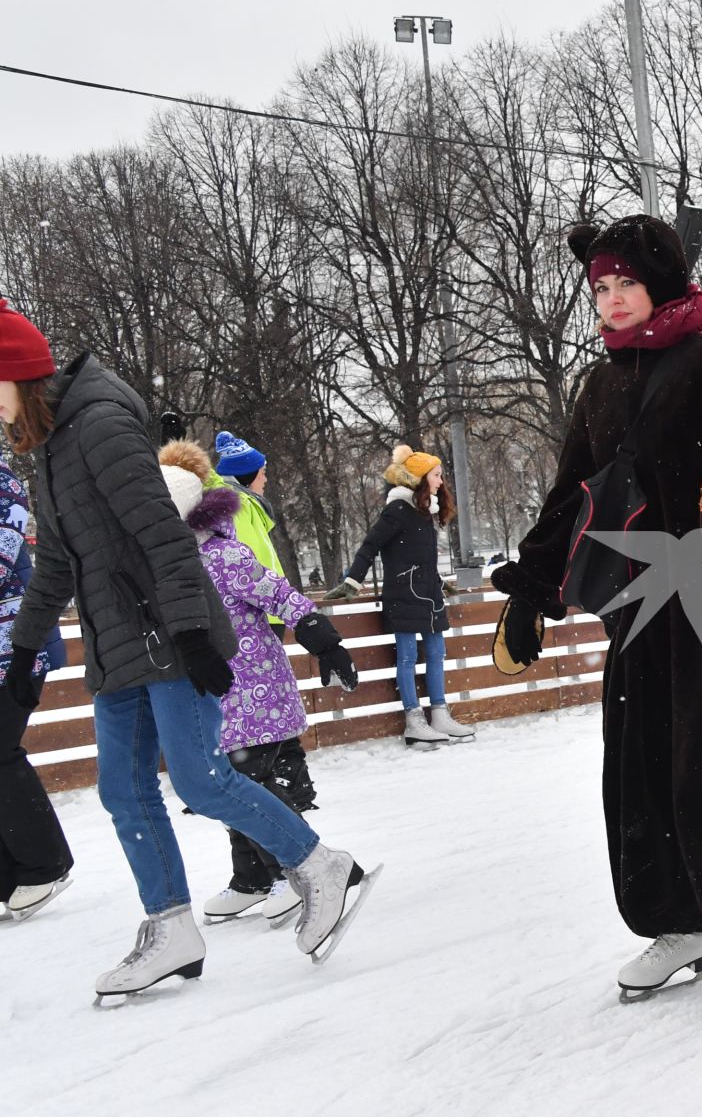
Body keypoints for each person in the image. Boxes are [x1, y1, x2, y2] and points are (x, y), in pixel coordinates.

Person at [489, 214, 702, 1013]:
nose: (610, 301)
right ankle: (680, 919)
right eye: (599, 288)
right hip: (642, 604)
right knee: (638, 759)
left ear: (663, 283)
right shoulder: (602, 383)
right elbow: (573, 491)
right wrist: (533, 592)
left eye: (625, 284)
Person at [0, 306, 376, 998]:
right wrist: (24, 657)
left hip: (170, 638)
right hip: (118, 646)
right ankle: (171, 926)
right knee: (124, 791)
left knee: (200, 780)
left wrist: (196, 635)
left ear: (16, 374)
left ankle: (319, 864)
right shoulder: (49, 446)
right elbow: (55, 559)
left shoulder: (102, 428)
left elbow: (168, 540)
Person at [158, 440, 360, 926]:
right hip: (218, 696)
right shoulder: (173, 565)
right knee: (230, 782)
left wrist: (322, 638)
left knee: (254, 784)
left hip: (257, 690)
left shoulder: (226, 556)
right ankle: (252, 878)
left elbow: (280, 593)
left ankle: (295, 871)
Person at [328, 447, 474, 747]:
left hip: (429, 594)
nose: (441, 480)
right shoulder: (397, 510)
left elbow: (420, 556)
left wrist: (437, 580)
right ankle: (413, 720)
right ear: (420, 478)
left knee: (436, 653)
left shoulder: (424, 511)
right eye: (436, 475)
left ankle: (439, 712)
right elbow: (370, 545)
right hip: (404, 593)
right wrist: (353, 581)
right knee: (407, 656)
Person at [0, 354, 71, 921]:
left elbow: (2, 559)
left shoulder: (5, 489)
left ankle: (44, 867)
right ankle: (10, 877)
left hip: (16, 650)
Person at [211, 431, 287, 578]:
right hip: (262, 598)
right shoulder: (241, 508)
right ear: (248, 476)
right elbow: (253, 568)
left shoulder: (244, 505)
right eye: (262, 473)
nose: (265, 479)